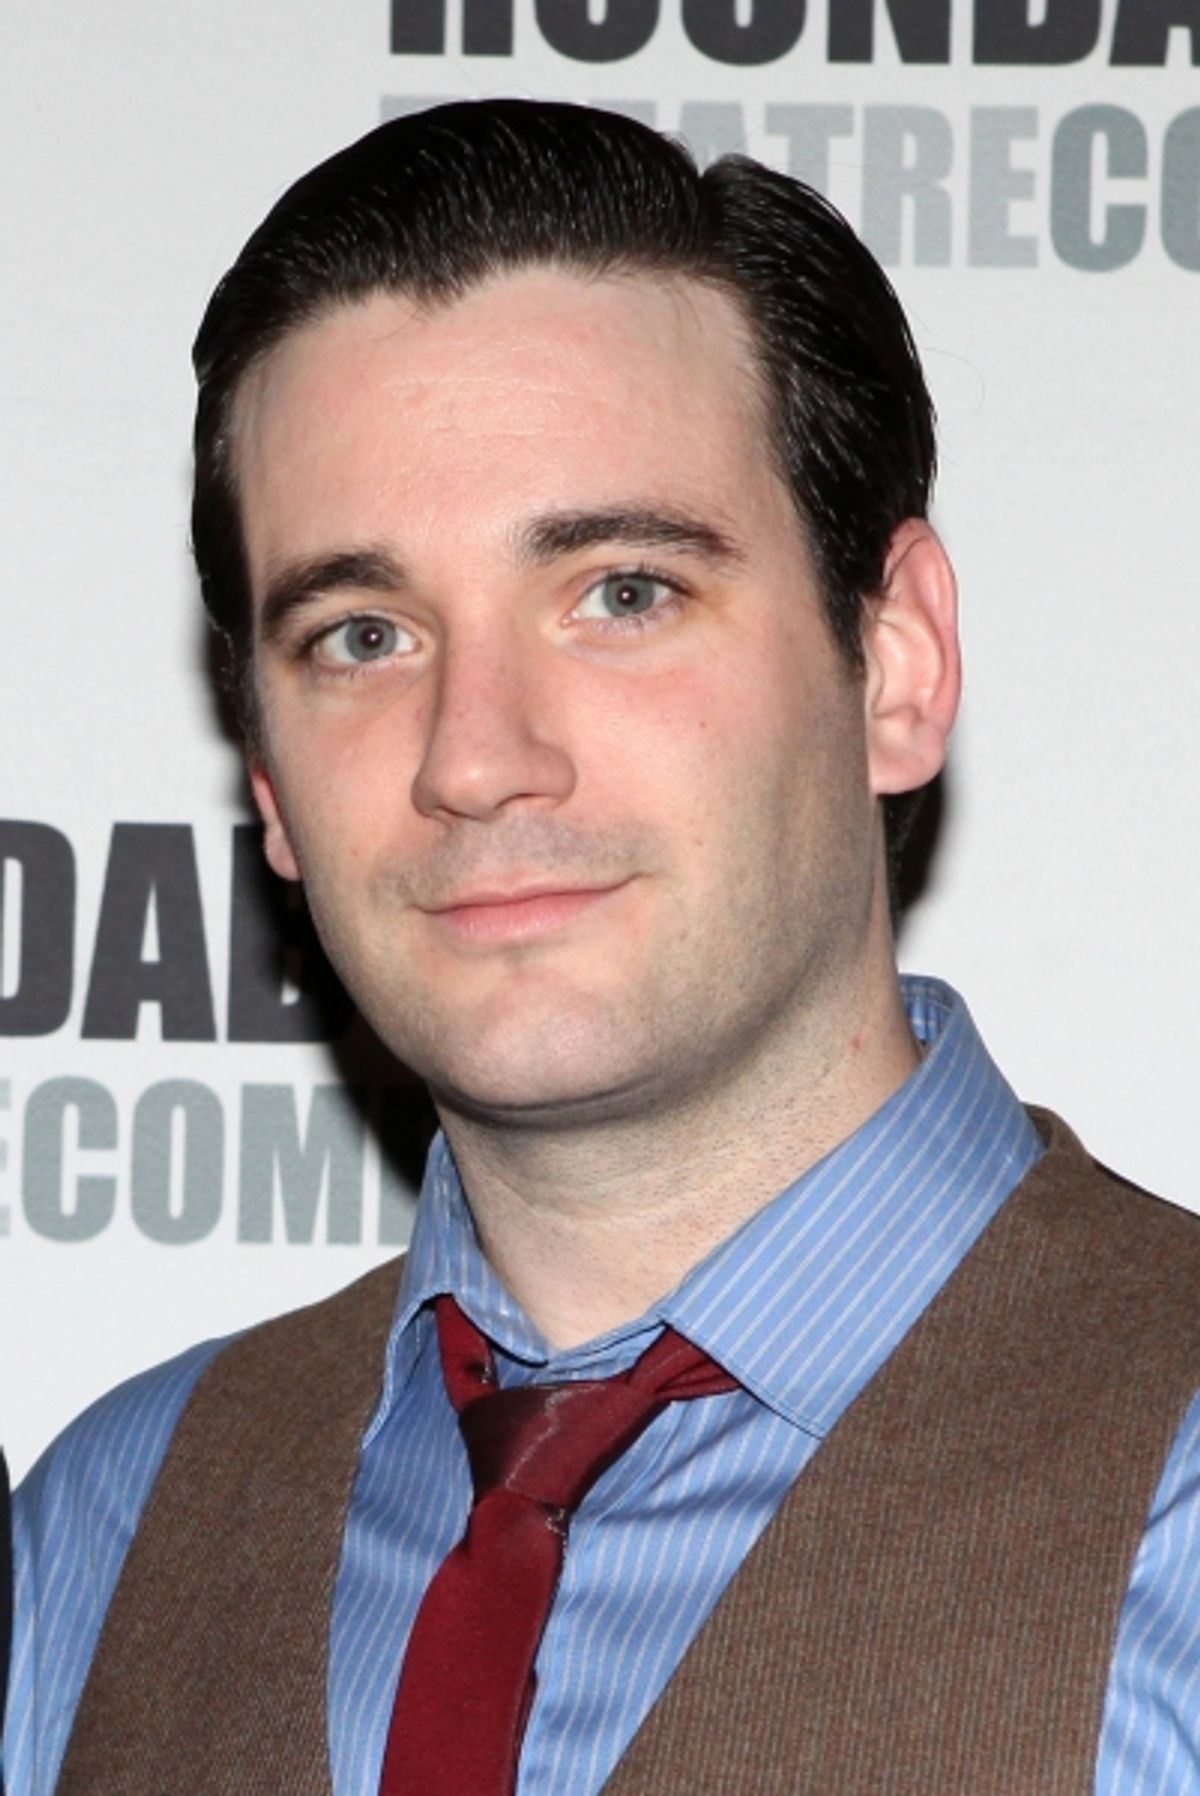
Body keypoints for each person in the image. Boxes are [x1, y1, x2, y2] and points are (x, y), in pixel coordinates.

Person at [6, 99, 1200, 1796]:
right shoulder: (100, 1540)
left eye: (623, 591)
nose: (474, 753)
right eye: (362, 632)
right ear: (268, 780)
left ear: (900, 663)